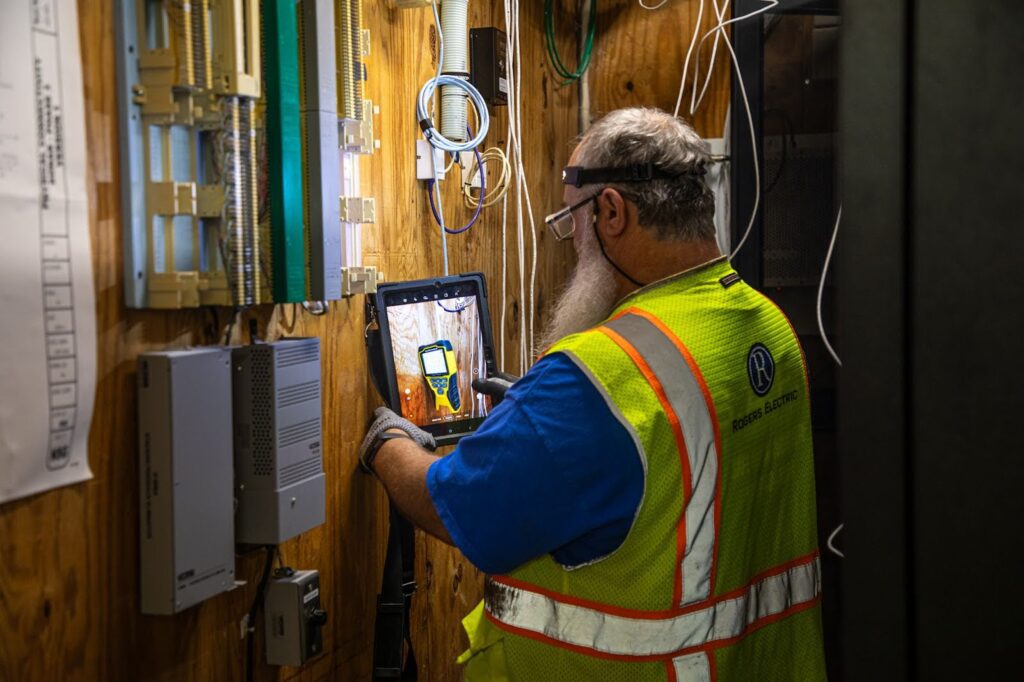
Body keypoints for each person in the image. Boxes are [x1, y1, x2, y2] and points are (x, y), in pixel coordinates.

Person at [359, 107, 826, 681]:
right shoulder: (767, 325)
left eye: (572, 220)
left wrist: (387, 442)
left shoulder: (601, 376)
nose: (574, 242)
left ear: (610, 211)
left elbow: (453, 506)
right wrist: (542, 424)